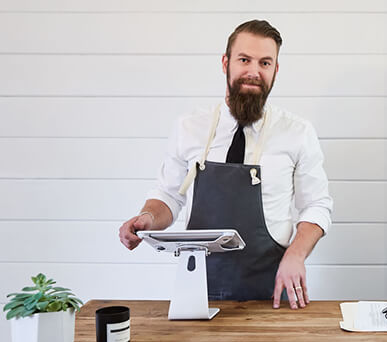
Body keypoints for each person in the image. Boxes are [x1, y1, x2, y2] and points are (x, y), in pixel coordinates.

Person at [118, 20, 332, 310]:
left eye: (265, 63)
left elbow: (317, 205)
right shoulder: (189, 127)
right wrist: (147, 218)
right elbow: (169, 195)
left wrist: (296, 256)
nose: (254, 72)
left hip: (273, 292)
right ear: (225, 62)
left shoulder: (298, 132)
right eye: (244, 60)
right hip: (196, 290)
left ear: (275, 71)